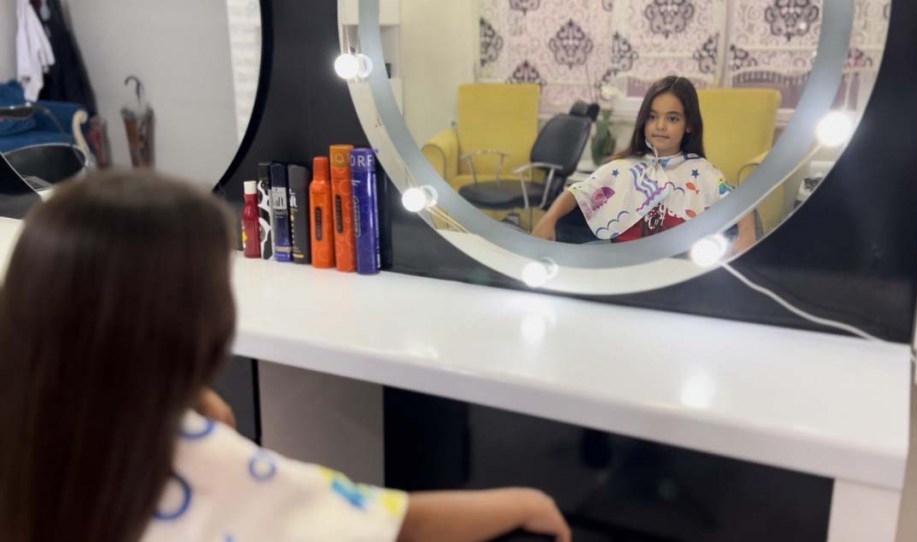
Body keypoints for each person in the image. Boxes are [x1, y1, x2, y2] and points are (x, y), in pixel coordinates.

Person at [0, 171, 571, 542]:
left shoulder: (35, 428)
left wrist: (184, 400)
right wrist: (525, 503)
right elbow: (392, 525)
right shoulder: (197, 461)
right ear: (186, 325)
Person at [532, 75, 755, 249]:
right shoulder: (624, 167)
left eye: (672, 118)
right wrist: (548, 220)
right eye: (652, 116)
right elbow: (577, 192)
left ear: (689, 125)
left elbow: (740, 200)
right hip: (622, 268)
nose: (660, 126)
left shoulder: (702, 171)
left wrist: (746, 236)